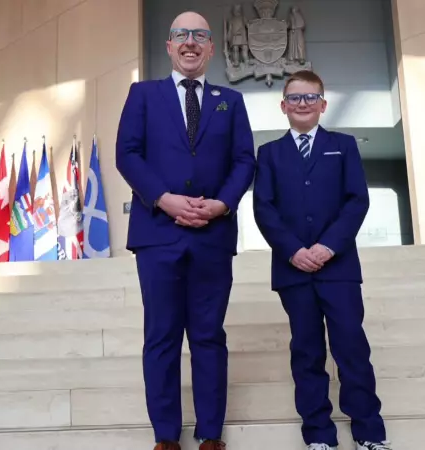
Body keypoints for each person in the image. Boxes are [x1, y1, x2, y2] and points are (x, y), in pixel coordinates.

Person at [115, 10, 256, 450]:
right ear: (169, 46)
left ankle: (211, 434)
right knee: (161, 336)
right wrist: (163, 198)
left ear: (211, 47)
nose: (190, 42)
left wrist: (221, 204)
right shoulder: (142, 94)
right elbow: (128, 153)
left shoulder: (229, 101)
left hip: (213, 236)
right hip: (158, 233)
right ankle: (166, 438)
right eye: (181, 35)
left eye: (199, 35)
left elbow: (244, 161)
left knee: (209, 335)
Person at [252, 70, 392, 450]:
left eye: (310, 97)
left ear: (323, 104)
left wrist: (328, 246)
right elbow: (264, 209)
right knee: (307, 351)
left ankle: (369, 432)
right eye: (295, 98)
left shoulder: (343, 145)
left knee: (351, 347)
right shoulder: (268, 154)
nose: (302, 104)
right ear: (283, 106)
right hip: (293, 271)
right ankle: (318, 435)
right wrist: (294, 251)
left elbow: (356, 201)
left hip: (339, 268)